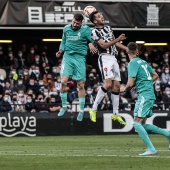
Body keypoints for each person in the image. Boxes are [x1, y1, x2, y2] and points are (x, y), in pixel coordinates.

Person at [120, 42, 170, 156]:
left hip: (144, 95)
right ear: (137, 51)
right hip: (150, 95)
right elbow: (156, 75)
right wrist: (144, 84)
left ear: (127, 52)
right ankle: (168, 134)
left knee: (136, 123)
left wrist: (123, 89)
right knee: (141, 124)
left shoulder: (132, 63)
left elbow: (130, 83)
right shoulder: (143, 61)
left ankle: (151, 149)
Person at [56, 13, 97, 121]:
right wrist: (60, 51)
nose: (74, 25)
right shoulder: (66, 28)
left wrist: (91, 44)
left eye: (77, 24)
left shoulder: (86, 29)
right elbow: (63, 41)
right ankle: (64, 107)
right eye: (74, 22)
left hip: (79, 58)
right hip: (68, 57)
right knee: (63, 82)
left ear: (81, 23)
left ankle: (81, 111)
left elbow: (93, 40)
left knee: (80, 85)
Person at [88, 11, 127, 124]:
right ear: (95, 21)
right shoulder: (94, 31)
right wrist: (117, 39)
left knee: (117, 87)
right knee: (108, 84)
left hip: (113, 58)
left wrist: (126, 48)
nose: (102, 17)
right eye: (99, 16)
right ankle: (93, 109)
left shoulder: (108, 28)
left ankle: (115, 114)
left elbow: (115, 43)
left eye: (101, 15)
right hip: (104, 58)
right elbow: (104, 45)